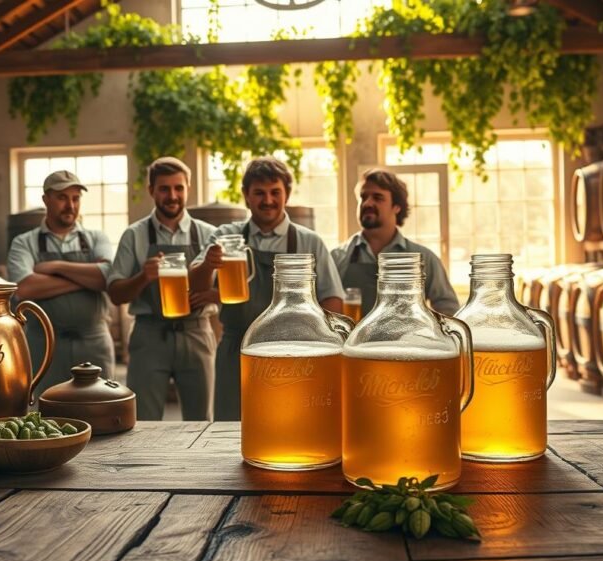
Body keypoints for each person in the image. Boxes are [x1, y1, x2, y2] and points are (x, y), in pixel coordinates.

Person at [190, 156, 344, 422]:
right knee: (228, 428)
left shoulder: (309, 242)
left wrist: (314, 343)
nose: (268, 200)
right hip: (236, 350)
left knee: (290, 423)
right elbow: (194, 284)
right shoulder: (226, 237)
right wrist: (208, 264)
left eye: (275, 192)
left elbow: (333, 300)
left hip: (292, 352)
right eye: (259, 193)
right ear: (246, 196)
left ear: (287, 194)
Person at [107, 157, 219, 421]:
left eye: (178, 188)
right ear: (151, 191)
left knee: (201, 422)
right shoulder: (134, 235)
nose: (172, 196)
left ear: (188, 188)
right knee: (143, 423)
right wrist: (142, 277)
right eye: (164, 189)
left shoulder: (209, 235)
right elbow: (115, 293)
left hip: (196, 333)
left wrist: (214, 295)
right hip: (149, 336)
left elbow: (231, 289)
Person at [7, 170, 115, 394]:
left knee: (100, 407)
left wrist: (55, 267)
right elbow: (25, 288)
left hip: (94, 343)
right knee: (45, 409)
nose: (70, 205)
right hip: (44, 345)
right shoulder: (24, 242)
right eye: (62, 198)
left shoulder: (97, 238)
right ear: (46, 199)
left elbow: (106, 277)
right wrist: (87, 279)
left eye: (76, 198)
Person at [332, 168, 458, 316]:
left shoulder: (423, 258)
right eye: (363, 197)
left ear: (397, 207)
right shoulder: (336, 257)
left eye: (378, 198)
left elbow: (448, 309)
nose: (367, 203)